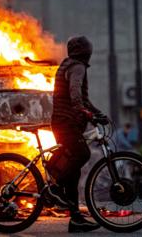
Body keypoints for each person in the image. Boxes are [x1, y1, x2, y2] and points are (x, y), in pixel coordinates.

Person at [48, 36, 107, 233]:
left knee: (73, 172)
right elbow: (75, 95)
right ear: (84, 51)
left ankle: (76, 220)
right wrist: (85, 112)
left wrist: (97, 113)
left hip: (64, 122)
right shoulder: (78, 67)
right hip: (66, 123)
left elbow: (83, 99)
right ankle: (55, 189)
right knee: (83, 154)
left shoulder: (69, 64)